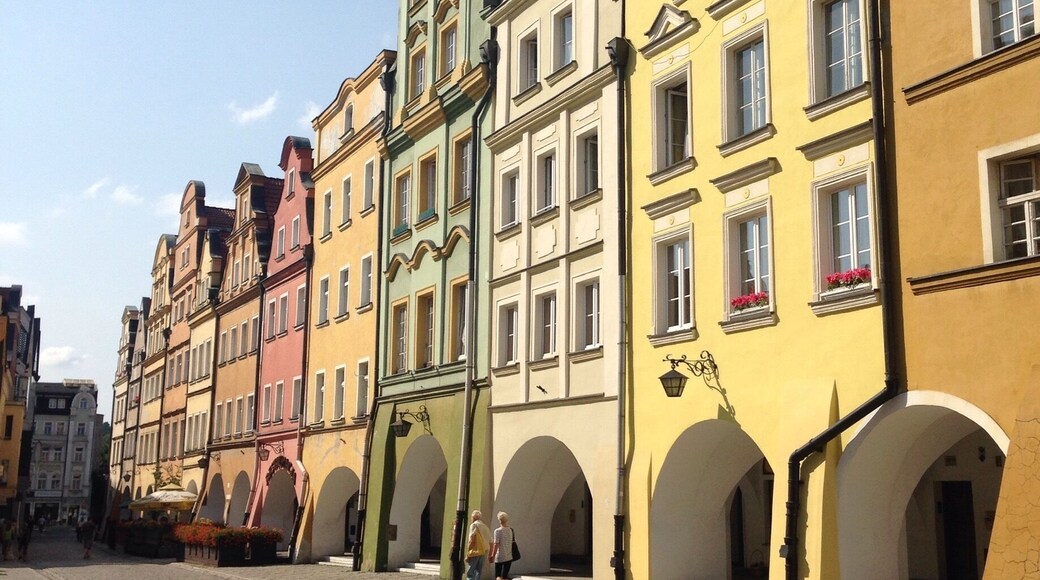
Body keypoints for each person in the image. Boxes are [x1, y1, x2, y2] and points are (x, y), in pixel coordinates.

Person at [465, 510, 492, 580]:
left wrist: (468, 553)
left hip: (475, 551)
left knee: (470, 573)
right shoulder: (485, 527)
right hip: (483, 552)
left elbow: (472, 539)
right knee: (478, 572)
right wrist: (490, 554)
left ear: (474, 517)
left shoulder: (474, 525)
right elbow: (491, 541)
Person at [488, 511, 514, 580]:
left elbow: (496, 544)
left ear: (499, 520)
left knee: (498, 576)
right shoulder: (510, 530)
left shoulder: (497, 531)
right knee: (505, 576)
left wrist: (492, 556)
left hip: (500, 556)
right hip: (509, 556)